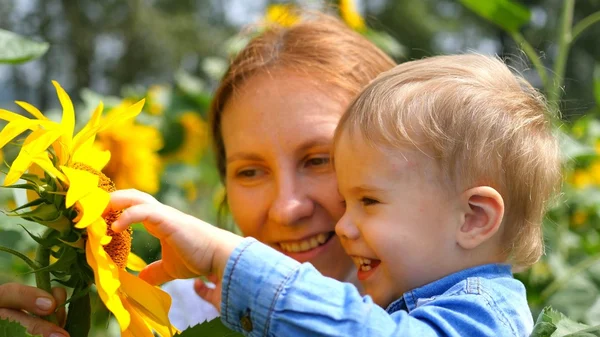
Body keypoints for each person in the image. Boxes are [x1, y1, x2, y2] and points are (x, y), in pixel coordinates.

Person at [108, 54, 562, 336]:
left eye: (368, 200)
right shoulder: (415, 298)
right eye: (250, 170)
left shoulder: (479, 312)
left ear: (472, 218)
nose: (345, 223)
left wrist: (229, 259)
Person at [0, 13, 395, 336]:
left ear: (403, 157)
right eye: (251, 171)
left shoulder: (446, 309)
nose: (287, 209)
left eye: (318, 160)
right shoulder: (185, 311)